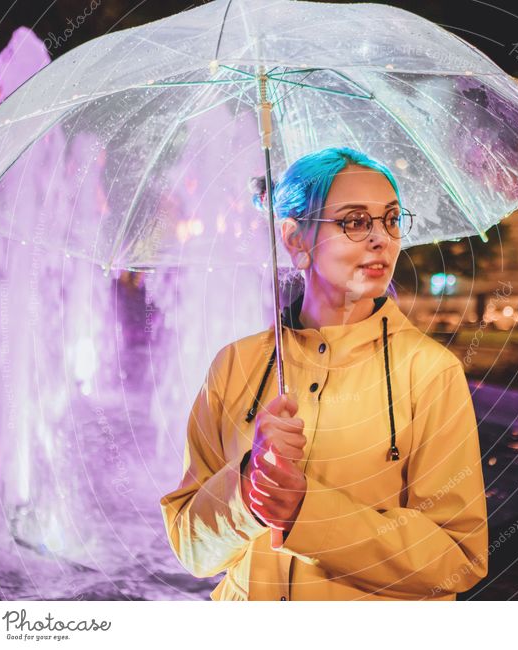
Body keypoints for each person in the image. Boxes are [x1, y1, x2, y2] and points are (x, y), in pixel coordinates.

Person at [160, 147, 488, 601]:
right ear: (296, 239)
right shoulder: (235, 365)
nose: (381, 239)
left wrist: (306, 513)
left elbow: (457, 558)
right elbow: (191, 551)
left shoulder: (429, 371)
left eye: (391, 220)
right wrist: (249, 485)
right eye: (355, 221)